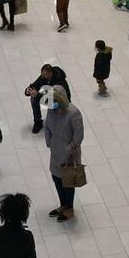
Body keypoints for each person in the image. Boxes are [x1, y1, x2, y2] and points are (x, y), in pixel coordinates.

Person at [44, 85, 84, 221]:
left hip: (69, 155)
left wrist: (69, 149)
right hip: (55, 151)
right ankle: (62, 205)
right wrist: (49, 142)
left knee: (67, 182)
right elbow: (47, 126)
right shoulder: (51, 110)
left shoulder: (74, 113)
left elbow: (78, 136)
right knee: (56, 179)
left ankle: (69, 208)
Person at [25, 63, 70, 132]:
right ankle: (38, 122)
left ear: (50, 73)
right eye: (42, 75)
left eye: (44, 75)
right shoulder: (44, 77)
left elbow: (54, 97)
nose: (42, 77)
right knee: (33, 99)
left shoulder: (59, 82)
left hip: (60, 101)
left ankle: (60, 120)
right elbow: (36, 84)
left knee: (40, 97)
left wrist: (38, 95)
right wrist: (28, 90)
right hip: (50, 94)